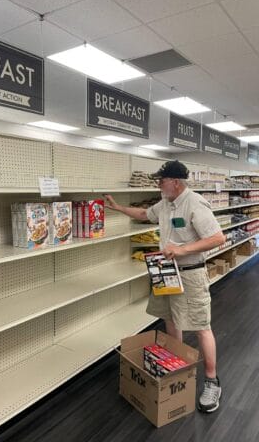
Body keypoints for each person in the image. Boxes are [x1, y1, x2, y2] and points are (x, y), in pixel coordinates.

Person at [104, 160, 225, 413]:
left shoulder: (195, 203)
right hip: (167, 273)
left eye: (162, 180)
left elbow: (217, 238)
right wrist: (117, 208)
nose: (158, 184)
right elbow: (144, 214)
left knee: (201, 326)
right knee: (171, 320)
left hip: (191, 274)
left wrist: (182, 249)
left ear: (176, 182)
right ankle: (175, 367)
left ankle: (212, 381)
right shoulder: (166, 203)